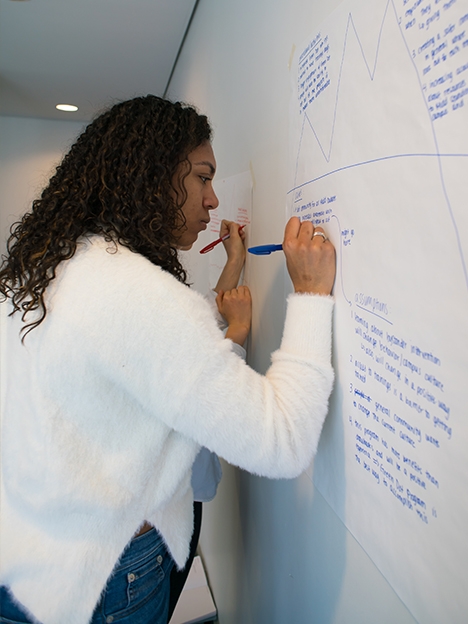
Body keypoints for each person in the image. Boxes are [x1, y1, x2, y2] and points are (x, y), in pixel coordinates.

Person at [0, 95, 336, 624]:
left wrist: (230, 276)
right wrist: (313, 296)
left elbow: (142, 356)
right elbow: (284, 440)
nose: (212, 200)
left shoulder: (46, 270)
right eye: (203, 177)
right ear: (153, 175)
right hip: (108, 582)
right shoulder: (136, 295)